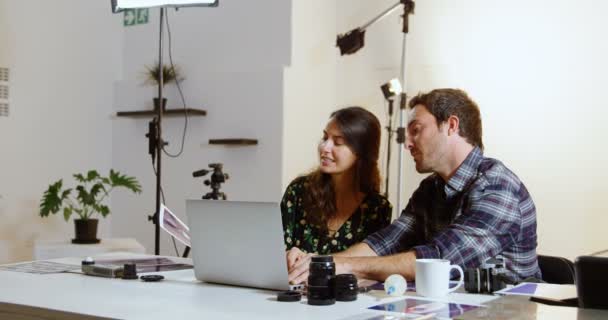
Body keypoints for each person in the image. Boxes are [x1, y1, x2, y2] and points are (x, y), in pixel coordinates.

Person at [287, 89, 541, 284]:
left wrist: (340, 266)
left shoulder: (497, 187)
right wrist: (319, 262)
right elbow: (384, 243)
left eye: (416, 130)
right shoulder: (430, 189)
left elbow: (438, 259)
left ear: (451, 126)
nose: (406, 143)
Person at [281, 106, 392, 257]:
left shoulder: (378, 209)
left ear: (361, 153)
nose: (325, 147)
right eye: (325, 138)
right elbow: (273, 251)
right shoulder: (298, 191)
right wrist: (287, 255)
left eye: (338, 142)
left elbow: (372, 267)